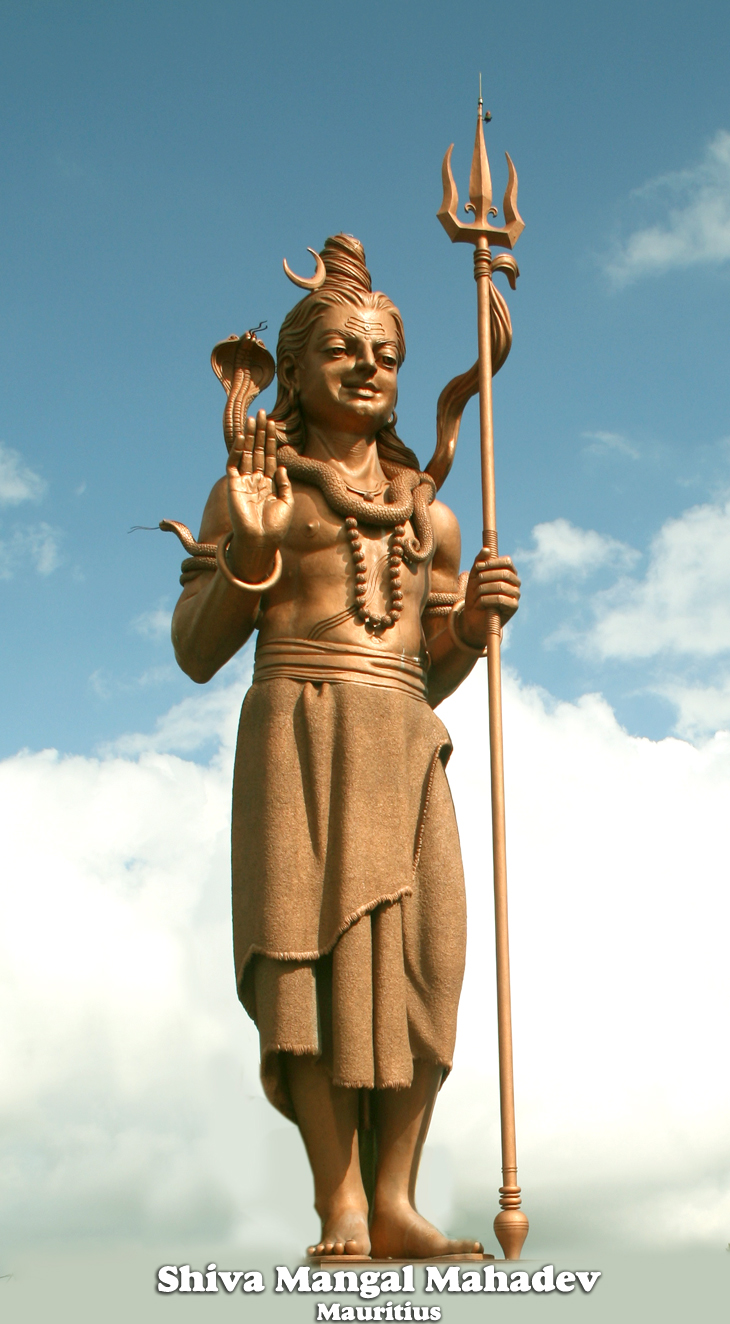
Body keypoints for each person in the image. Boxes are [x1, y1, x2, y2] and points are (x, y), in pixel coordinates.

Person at [170, 234, 520, 1259]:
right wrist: (248, 545)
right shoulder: (254, 485)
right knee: (310, 968)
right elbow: (197, 651)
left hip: (405, 740)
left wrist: (469, 624)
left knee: (421, 962)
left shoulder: (435, 518)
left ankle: (400, 1197)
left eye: (388, 357)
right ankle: (342, 1202)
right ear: (289, 372)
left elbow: (428, 665)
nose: (372, 371)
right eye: (344, 352)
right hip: (300, 734)